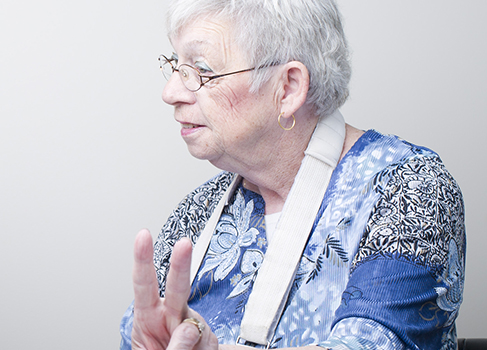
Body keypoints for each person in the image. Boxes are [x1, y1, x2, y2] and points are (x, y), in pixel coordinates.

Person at [120, 1, 465, 349]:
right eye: (175, 66)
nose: (170, 93)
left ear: (288, 88)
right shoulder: (196, 214)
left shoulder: (407, 189)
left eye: (201, 69)